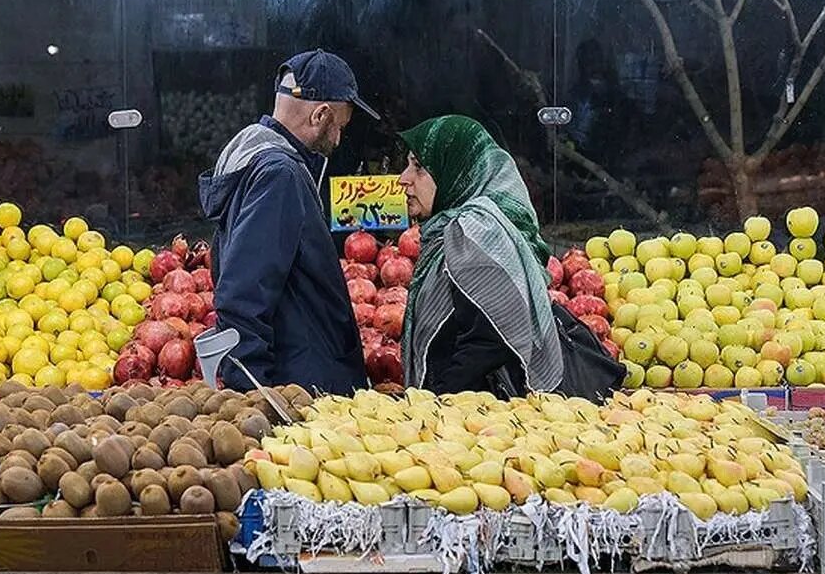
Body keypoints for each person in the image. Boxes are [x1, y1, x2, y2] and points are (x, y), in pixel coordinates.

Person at [200, 50, 379, 394]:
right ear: (321, 114)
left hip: (296, 374)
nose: (339, 139)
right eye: (340, 126)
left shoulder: (253, 157)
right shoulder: (280, 175)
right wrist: (254, 393)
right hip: (299, 384)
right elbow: (244, 291)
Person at [398, 114, 563, 396]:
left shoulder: (476, 232)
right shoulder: (453, 229)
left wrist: (442, 401)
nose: (404, 179)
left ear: (458, 172)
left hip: (477, 418)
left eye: (419, 167)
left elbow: (490, 341)